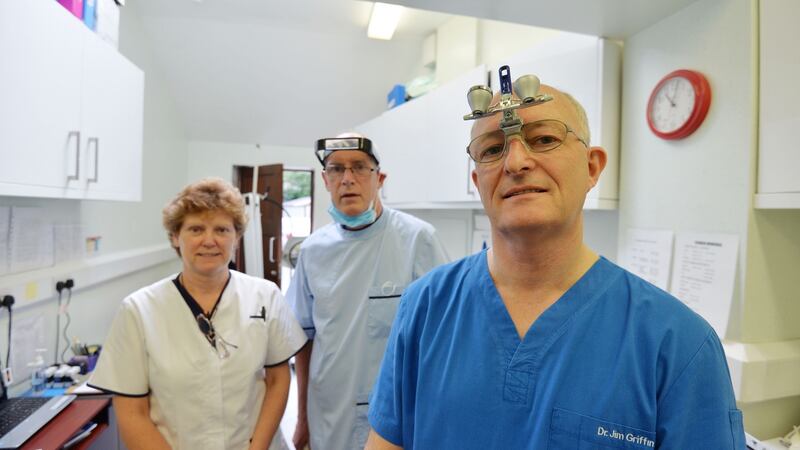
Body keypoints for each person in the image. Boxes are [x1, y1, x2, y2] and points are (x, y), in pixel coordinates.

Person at [366, 82, 746, 449]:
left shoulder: (678, 343)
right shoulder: (425, 307)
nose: (516, 162)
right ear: (477, 180)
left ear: (592, 167)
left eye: (544, 139)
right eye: (492, 149)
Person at [89, 178, 308, 450]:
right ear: (175, 236)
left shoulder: (265, 296)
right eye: (195, 229)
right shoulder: (139, 310)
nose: (209, 240)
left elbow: (278, 380)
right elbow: (132, 413)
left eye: (221, 229)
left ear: (236, 237)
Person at [286, 134, 449, 450]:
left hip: (398, 416)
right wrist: (302, 417)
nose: (347, 179)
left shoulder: (419, 240)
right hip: (329, 415)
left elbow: (445, 340)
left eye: (359, 167)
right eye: (336, 169)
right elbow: (304, 339)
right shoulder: (312, 252)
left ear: (380, 179)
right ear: (325, 180)